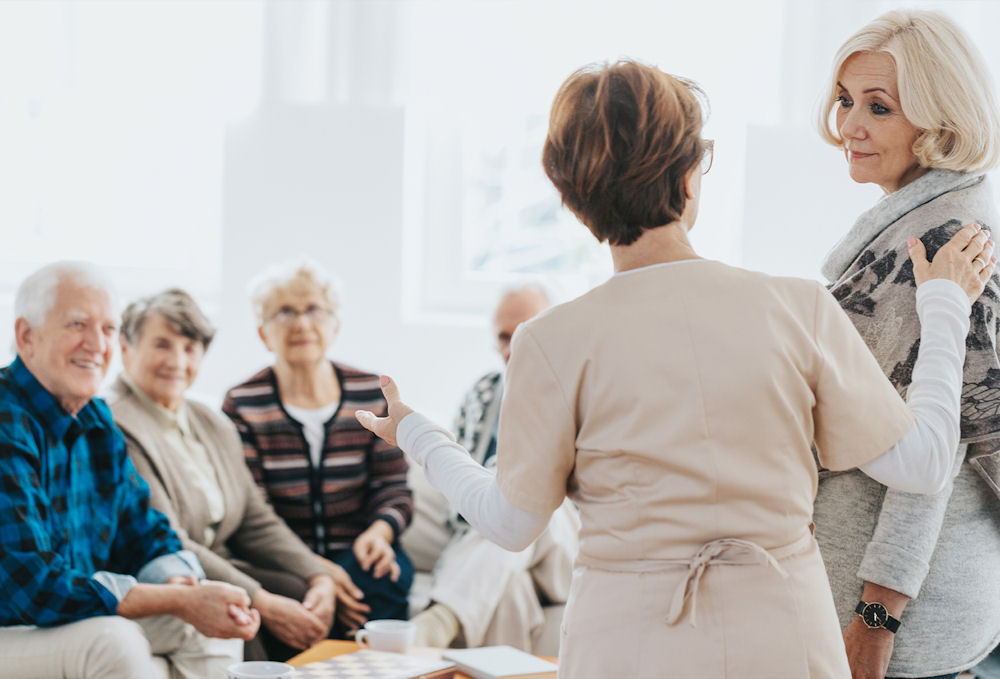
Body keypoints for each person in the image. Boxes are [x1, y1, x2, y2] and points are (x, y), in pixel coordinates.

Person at [355, 60, 995, 678]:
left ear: (570, 195)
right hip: (784, 639)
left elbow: (508, 523)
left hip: (625, 646)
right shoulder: (796, 307)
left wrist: (417, 432)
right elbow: (925, 463)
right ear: (690, 174)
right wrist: (943, 305)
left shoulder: (549, 341)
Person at [811, 10, 1000, 679]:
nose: (849, 126)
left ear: (940, 120)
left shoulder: (940, 239)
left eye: (879, 107)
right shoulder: (925, 221)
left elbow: (938, 451)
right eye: (845, 99)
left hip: (896, 633)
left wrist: (874, 620)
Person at [0, 262, 259, 679]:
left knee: (218, 616)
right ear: (26, 336)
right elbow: (34, 588)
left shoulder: (98, 421)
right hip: (13, 623)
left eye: (107, 329)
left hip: (71, 612)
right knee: (113, 642)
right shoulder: (6, 420)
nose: (96, 345)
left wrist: (179, 585)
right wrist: (174, 602)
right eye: (78, 324)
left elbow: (146, 531)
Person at [108, 288, 336, 662]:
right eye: (162, 345)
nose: (177, 361)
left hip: (219, 564)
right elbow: (170, 538)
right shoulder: (116, 424)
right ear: (125, 347)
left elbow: (255, 519)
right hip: (166, 574)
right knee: (247, 613)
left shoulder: (210, 421)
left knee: (302, 593)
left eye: (190, 348)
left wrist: (318, 576)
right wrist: (260, 598)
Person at [223, 260, 414, 637]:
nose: (301, 323)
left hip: (360, 550)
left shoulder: (369, 393)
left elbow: (394, 486)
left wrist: (380, 533)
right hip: (282, 559)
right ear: (263, 334)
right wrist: (316, 568)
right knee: (298, 597)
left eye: (313, 309)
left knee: (382, 578)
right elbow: (252, 507)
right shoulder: (243, 403)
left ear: (335, 325)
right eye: (285, 312)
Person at [410, 284, 580, 650]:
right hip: (496, 555)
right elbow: (460, 498)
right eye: (504, 336)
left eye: (527, 331)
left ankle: (438, 622)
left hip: (561, 553)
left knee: (529, 499)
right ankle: (450, 623)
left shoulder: (583, 389)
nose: (514, 346)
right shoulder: (483, 394)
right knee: (507, 591)